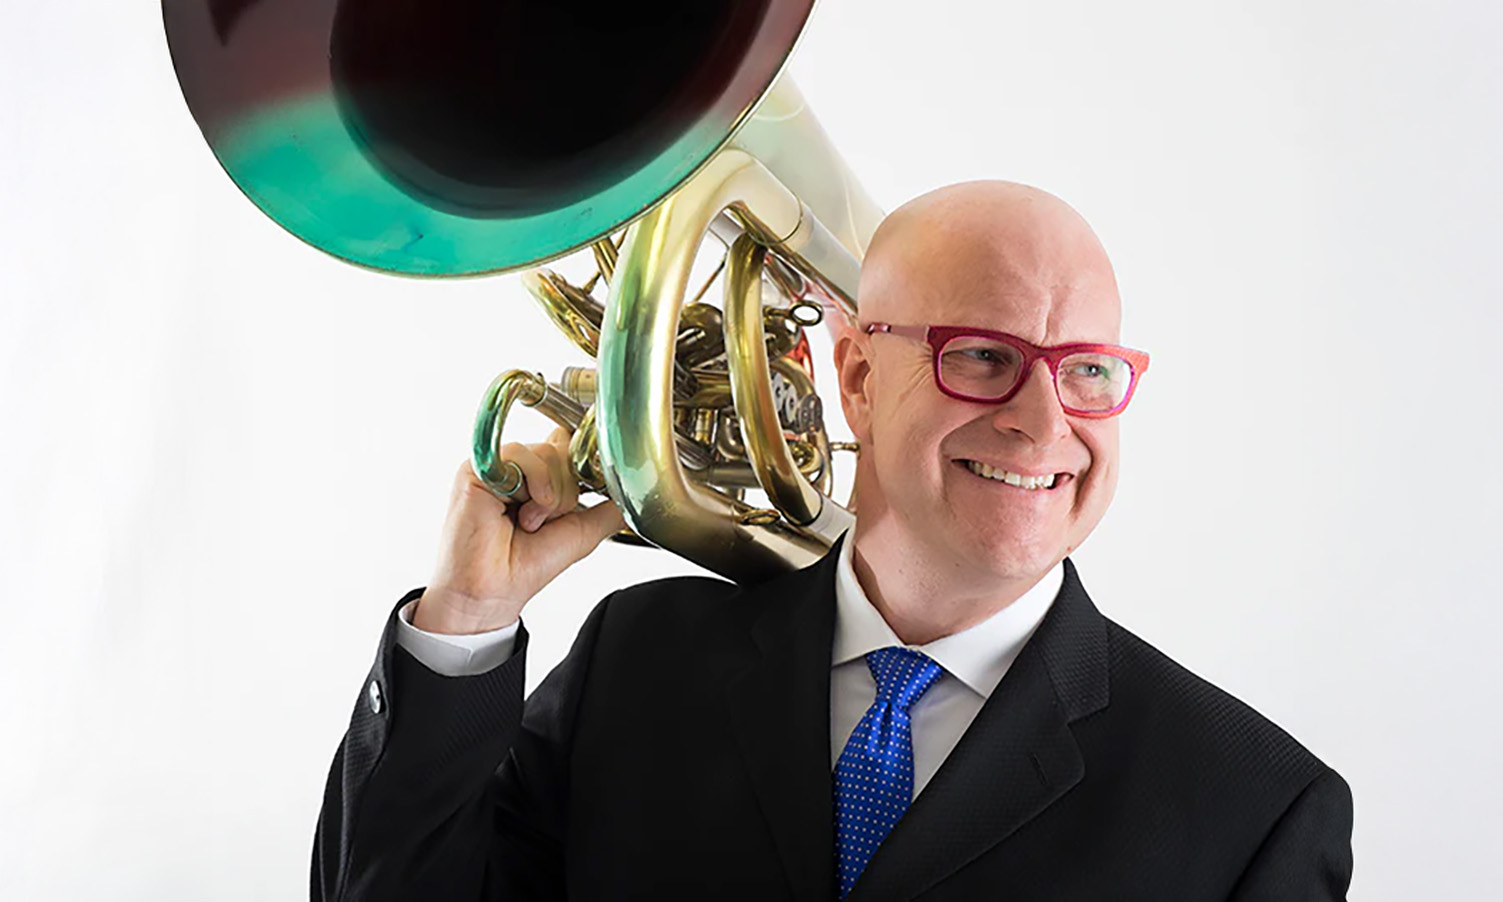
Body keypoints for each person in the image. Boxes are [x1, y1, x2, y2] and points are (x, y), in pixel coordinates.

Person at [312, 181, 1353, 901]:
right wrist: (466, 621)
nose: (1044, 424)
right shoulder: (637, 660)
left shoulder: (1251, 806)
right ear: (854, 375)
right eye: (983, 355)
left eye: (1087, 370)